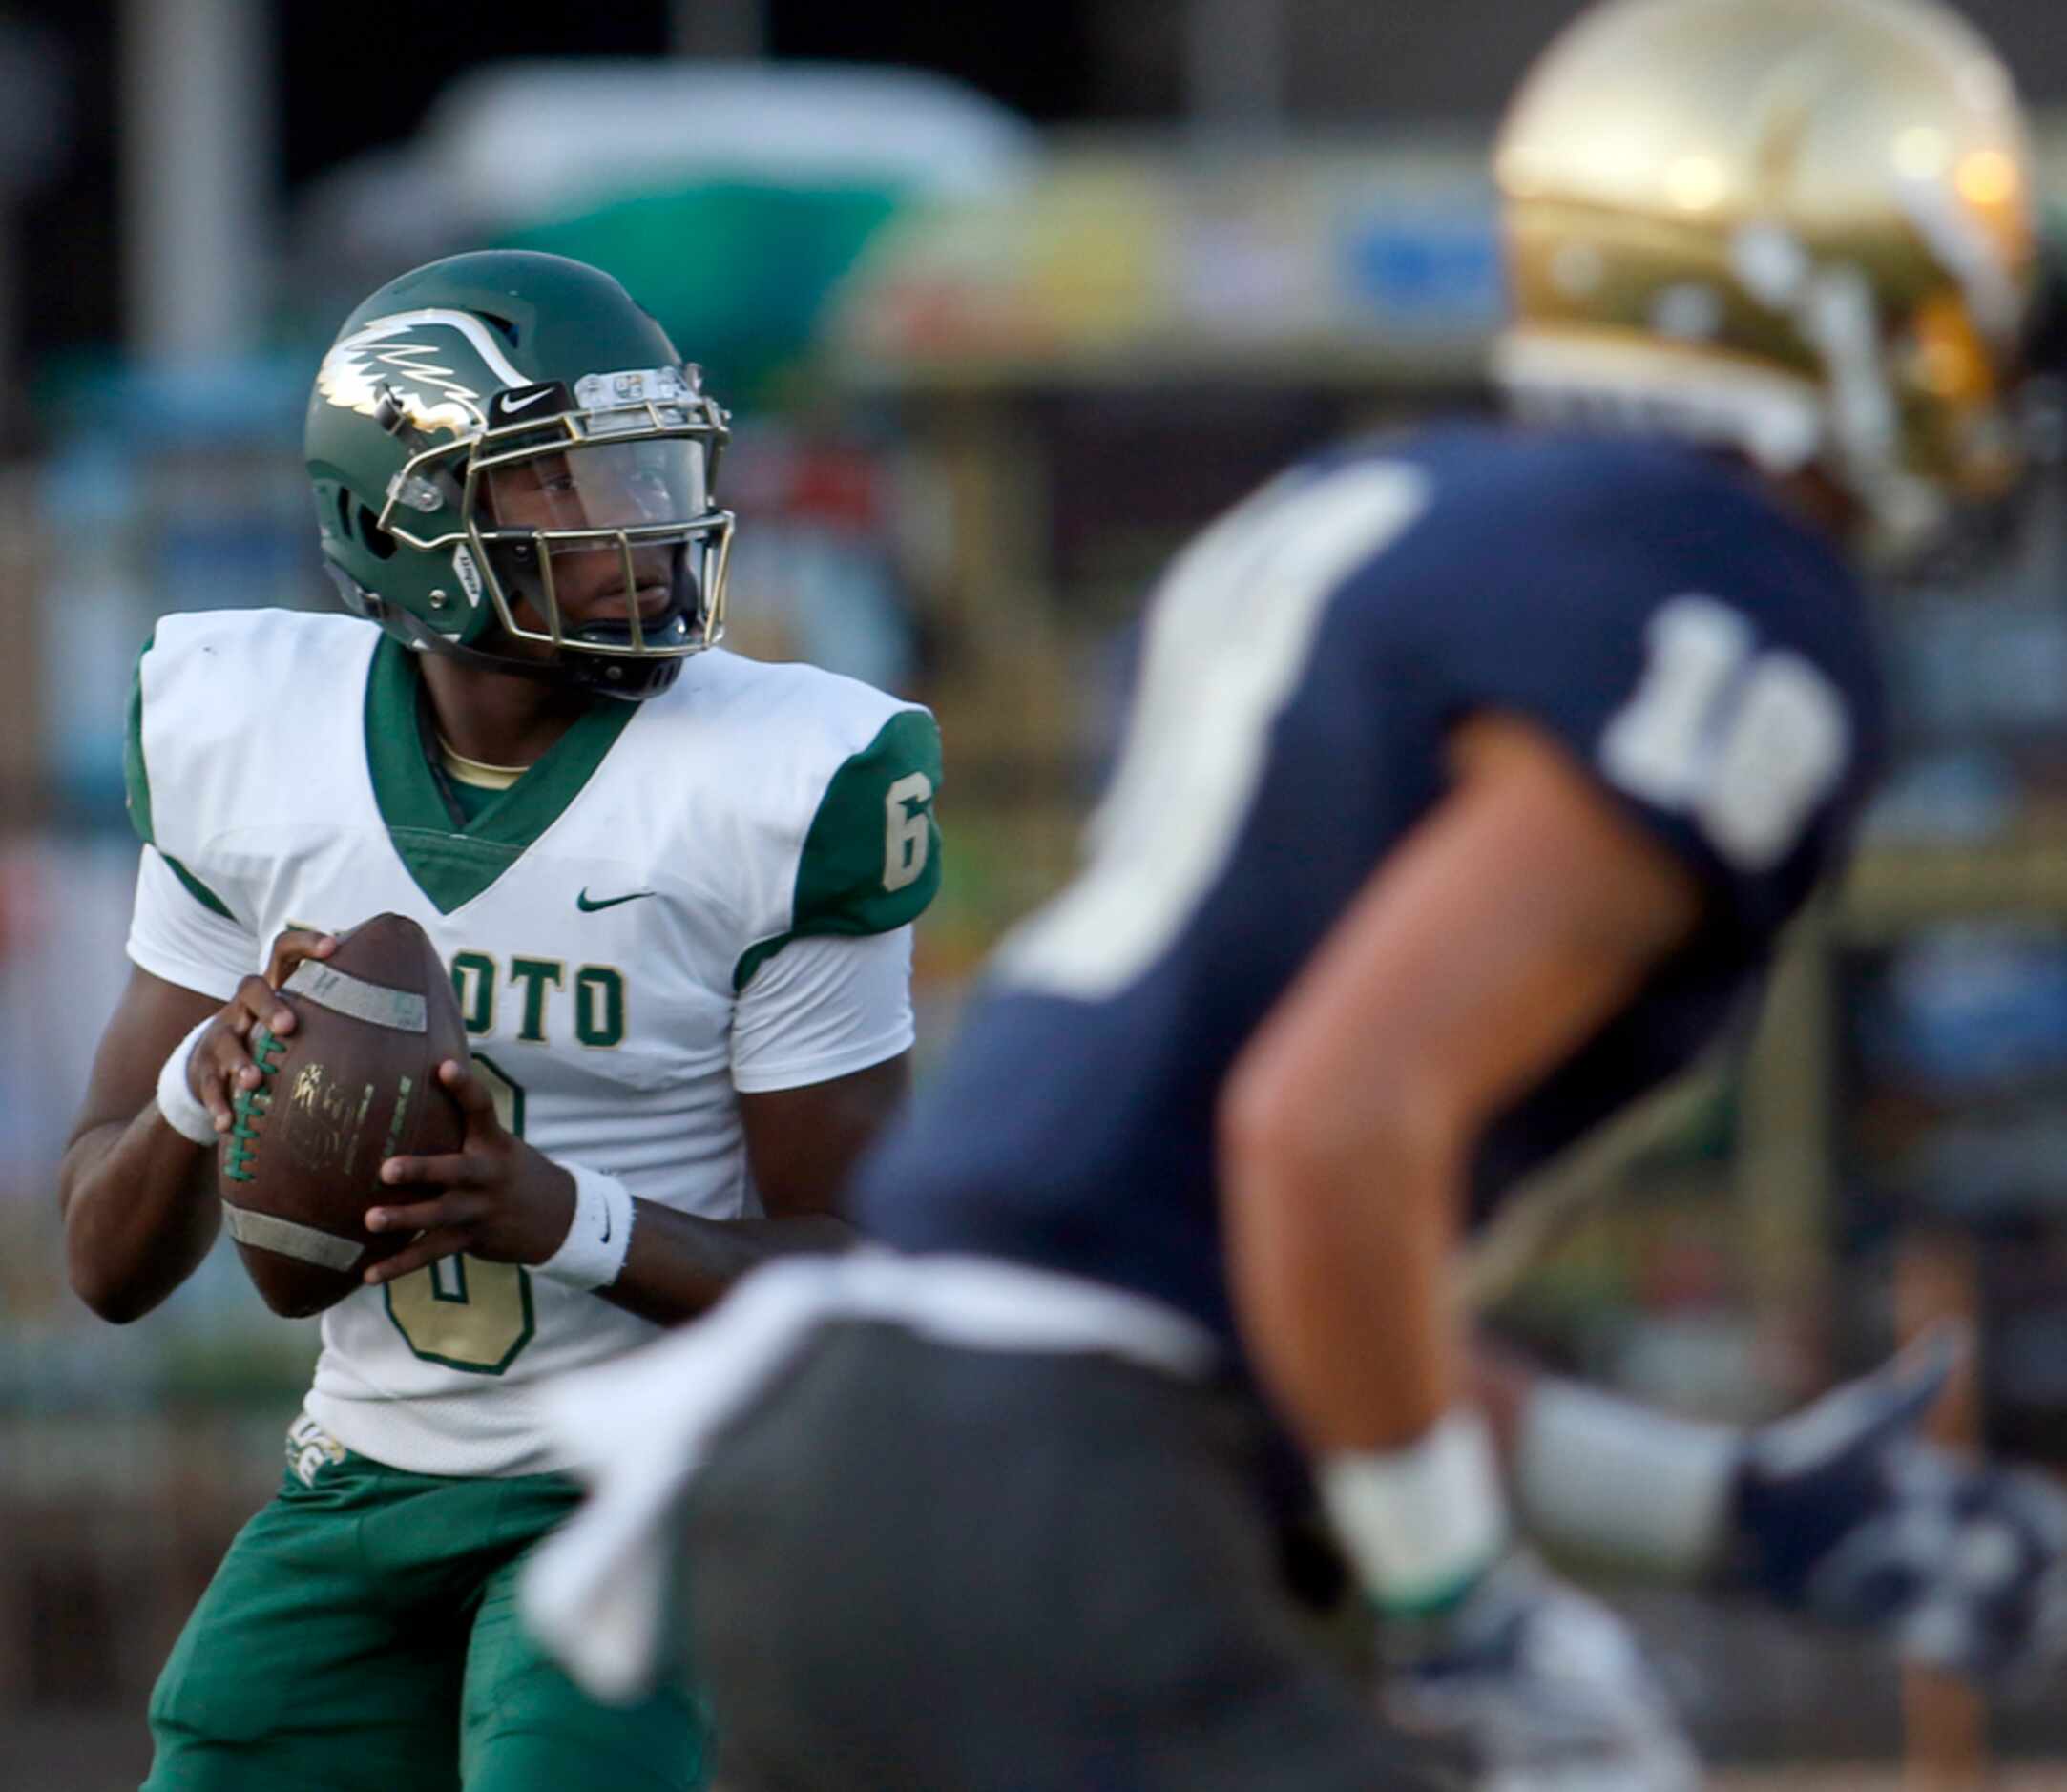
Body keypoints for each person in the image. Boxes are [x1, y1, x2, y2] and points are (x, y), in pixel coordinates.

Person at [522, 2, 2066, 1786]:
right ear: (1852, 296)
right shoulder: (1713, 576)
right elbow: (1323, 1134)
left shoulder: (1384, 505)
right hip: (1058, 1522)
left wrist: (1732, 1508)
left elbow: (1247, 1282)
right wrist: (1461, 1604)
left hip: (849, 1486)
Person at [56, 249, 942, 1792]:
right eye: (569, 486)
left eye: (655, 467)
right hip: (362, 1471)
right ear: (397, 519)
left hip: (643, 1475)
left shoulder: (781, 780)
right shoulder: (238, 733)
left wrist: (563, 1217)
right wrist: (213, 1083)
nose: (643, 531)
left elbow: (858, 1281)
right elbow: (106, 1263)